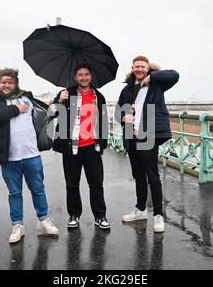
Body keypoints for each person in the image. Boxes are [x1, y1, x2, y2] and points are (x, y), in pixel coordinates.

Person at [0, 68, 59, 244]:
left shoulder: (27, 99)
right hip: (9, 158)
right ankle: (18, 225)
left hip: (32, 155)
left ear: (16, 83)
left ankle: (44, 220)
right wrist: (16, 109)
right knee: (15, 193)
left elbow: (48, 113)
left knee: (38, 189)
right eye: (3, 82)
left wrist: (57, 103)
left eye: (10, 81)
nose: (7, 85)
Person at [115, 56, 179, 233]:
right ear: (133, 68)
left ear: (147, 68)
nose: (140, 69)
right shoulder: (127, 89)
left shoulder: (157, 84)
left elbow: (175, 75)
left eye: (143, 67)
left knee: (152, 176)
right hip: (132, 136)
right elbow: (118, 110)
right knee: (138, 176)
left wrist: (153, 77)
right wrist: (122, 117)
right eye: (137, 67)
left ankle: (158, 215)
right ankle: (141, 210)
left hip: (148, 135)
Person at [52, 64, 110, 230]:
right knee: (72, 184)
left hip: (92, 147)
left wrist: (103, 144)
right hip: (71, 148)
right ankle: (74, 215)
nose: (83, 77)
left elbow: (103, 122)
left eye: (86, 74)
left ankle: (100, 216)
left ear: (90, 76)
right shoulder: (66, 93)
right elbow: (53, 114)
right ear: (75, 77)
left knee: (96, 184)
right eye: (80, 75)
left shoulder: (99, 96)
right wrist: (59, 101)